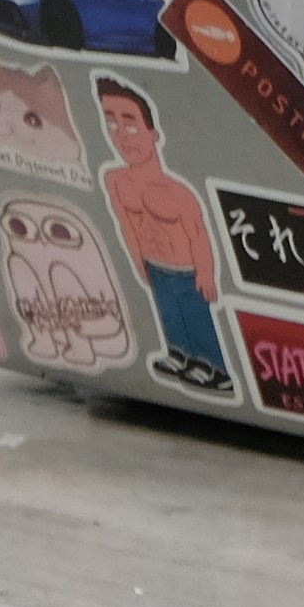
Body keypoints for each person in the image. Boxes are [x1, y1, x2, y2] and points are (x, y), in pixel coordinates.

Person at [96, 79, 229, 392]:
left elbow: (198, 233)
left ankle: (214, 367)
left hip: (186, 270)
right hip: (155, 264)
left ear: (153, 134)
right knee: (168, 312)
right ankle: (179, 355)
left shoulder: (178, 191)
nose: (119, 134)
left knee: (196, 316)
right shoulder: (116, 181)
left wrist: (206, 273)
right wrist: (138, 260)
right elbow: (125, 223)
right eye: (110, 122)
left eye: (130, 123)